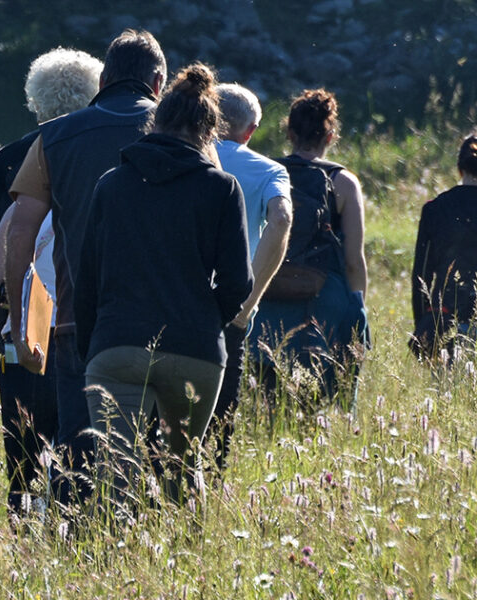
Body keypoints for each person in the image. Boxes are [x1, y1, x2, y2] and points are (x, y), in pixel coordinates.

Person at [73, 63, 252, 510]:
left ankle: (112, 569)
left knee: (115, 477)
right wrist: (206, 318)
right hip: (195, 348)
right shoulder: (223, 188)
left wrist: (93, 346)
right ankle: (186, 567)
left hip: (117, 344)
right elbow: (238, 283)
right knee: (184, 472)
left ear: (154, 120)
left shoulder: (111, 186)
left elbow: (87, 279)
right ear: (208, 133)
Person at [3, 29, 166, 507]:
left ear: (104, 80)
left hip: (78, 323)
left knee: (78, 454)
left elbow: (20, 236)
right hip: (162, 321)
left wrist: (19, 325)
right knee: (156, 456)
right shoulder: (180, 132)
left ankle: (79, 554)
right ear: (158, 82)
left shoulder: (53, 138)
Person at [0, 48, 102, 517]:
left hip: (18, 334)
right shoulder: (101, 150)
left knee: (24, 469)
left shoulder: (11, 158)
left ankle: (26, 539)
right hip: (82, 326)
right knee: (81, 455)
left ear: (35, 97)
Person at [250, 90, 370, 406]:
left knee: (264, 401)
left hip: (267, 295)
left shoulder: (269, 172)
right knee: (326, 400)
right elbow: (354, 259)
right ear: (330, 136)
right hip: (323, 300)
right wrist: (358, 311)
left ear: (289, 132)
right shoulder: (343, 182)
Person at [207, 83, 293, 470]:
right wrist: (248, 301)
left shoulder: (185, 155)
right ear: (251, 130)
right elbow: (281, 219)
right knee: (216, 425)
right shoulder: (270, 170)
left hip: (172, 302)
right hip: (230, 311)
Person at [410, 133, 477, 361]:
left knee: (446, 393)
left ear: (459, 169)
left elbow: (421, 276)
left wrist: (423, 328)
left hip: (445, 322)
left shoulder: (435, 209)